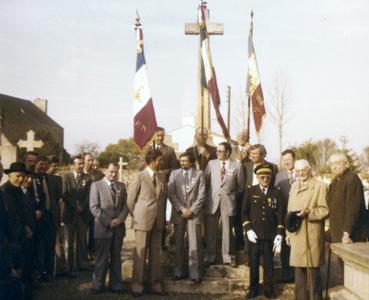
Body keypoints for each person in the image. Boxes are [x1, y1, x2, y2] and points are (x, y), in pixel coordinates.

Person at [128, 149, 168, 297]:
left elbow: (163, 200)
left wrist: (163, 219)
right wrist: (139, 215)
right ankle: (137, 286)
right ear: (152, 161)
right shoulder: (138, 176)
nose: (162, 162)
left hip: (158, 222)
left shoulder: (162, 176)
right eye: (160, 160)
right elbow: (130, 201)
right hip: (142, 221)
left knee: (156, 256)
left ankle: (155, 286)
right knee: (140, 253)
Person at [286, 159, 329, 300]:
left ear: (309, 169)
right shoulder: (293, 187)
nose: (300, 174)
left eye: (303, 170)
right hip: (297, 234)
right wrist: (288, 233)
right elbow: (289, 212)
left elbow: (324, 210)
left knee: (313, 275)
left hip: (311, 235)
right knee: (299, 276)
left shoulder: (320, 186)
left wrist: (309, 212)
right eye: (297, 171)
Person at [243, 162, 284, 299]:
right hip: (253, 234)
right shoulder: (250, 191)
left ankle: (269, 290)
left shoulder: (276, 192)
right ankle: (253, 290)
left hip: (269, 234)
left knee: (269, 264)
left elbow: (280, 214)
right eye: (262, 177)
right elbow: (244, 213)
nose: (265, 179)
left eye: (267, 177)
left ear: (271, 177)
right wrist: (248, 229)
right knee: (253, 264)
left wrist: (279, 233)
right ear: (257, 177)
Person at [327, 152, 368, 286]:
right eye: (332, 164)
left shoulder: (352, 179)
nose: (334, 167)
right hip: (336, 232)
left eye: (337, 163)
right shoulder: (335, 182)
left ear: (346, 163)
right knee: (342, 269)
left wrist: (347, 233)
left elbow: (353, 208)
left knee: (352, 273)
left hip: (349, 234)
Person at [89, 163, 129, 293]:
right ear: (105, 170)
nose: (113, 174)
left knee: (116, 258)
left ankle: (116, 284)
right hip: (103, 228)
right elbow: (94, 207)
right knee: (101, 258)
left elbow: (125, 206)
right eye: (111, 171)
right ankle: (98, 284)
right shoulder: (96, 185)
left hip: (118, 228)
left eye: (116, 172)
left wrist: (120, 219)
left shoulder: (121, 186)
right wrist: (108, 222)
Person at [204, 142, 245, 266]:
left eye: (220, 151)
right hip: (213, 201)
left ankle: (227, 256)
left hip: (228, 202)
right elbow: (205, 182)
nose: (217, 153)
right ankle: (210, 257)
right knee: (211, 231)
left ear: (228, 152)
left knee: (227, 231)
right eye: (216, 151)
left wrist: (231, 196)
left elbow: (241, 187)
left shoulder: (237, 166)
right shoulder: (211, 164)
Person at [168, 152, 206, 283]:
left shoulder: (199, 174)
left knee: (194, 243)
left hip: (194, 214)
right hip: (179, 213)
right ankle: (179, 272)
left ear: (191, 162)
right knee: (178, 243)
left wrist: (192, 210)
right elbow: (171, 193)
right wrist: (181, 208)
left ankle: (195, 274)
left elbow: (202, 195)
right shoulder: (174, 174)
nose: (182, 163)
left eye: (185, 161)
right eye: (181, 160)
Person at [62, 155, 92, 275]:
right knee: (69, 242)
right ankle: (69, 268)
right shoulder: (66, 177)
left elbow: (89, 195)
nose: (80, 166)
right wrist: (75, 206)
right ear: (72, 165)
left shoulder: (88, 178)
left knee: (82, 239)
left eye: (81, 163)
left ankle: (81, 264)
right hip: (70, 213)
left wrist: (82, 207)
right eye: (78, 164)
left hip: (82, 214)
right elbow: (64, 194)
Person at [274, 149, 297, 283]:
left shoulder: (301, 172)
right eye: (284, 160)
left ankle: (298, 274)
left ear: (294, 159)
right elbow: (276, 195)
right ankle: (287, 275)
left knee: (297, 244)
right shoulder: (280, 175)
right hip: (284, 214)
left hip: (299, 213)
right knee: (285, 245)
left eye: (289, 159)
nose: (287, 162)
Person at [230, 129, 251, 256]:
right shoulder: (232, 151)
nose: (242, 137)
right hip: (236, 188)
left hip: (248, 186)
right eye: (240, 135)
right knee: (237, 216)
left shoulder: (252, 149)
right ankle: (239, 242)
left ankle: (249, 243)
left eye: (244, 135)